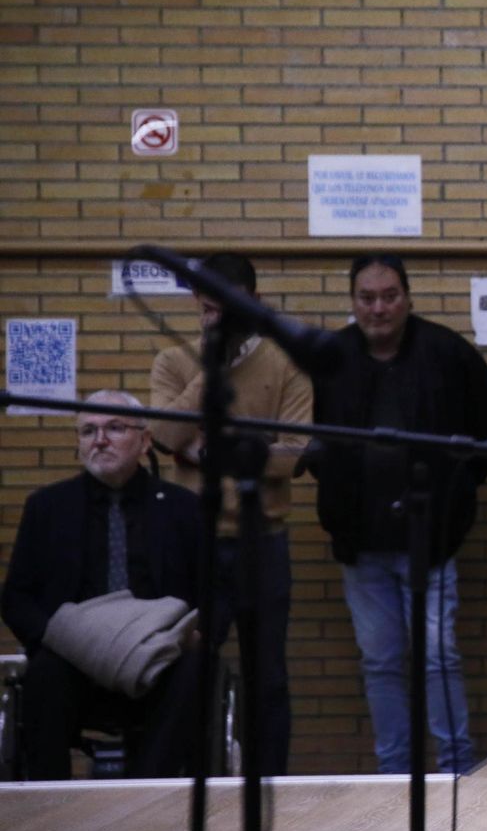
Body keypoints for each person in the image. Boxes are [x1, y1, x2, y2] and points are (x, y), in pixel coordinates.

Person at [306, 255, 487, 774]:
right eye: (367, 298)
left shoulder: (448, 353)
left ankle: (456, 771)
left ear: (408, 297)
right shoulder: (330, 358)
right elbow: (305, 442)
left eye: (389, 295)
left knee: (438, 658)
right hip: (360, 544)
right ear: (352, 302)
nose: (378, 308)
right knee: (381, 664)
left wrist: (454, 489)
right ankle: (393, 775)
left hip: (432, 543)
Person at [148, 252, 311, 776]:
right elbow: (165, 436)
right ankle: (186, 782)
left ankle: (270, 784)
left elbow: (292, 457)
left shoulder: (288, 364)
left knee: (269, 677)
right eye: (208, 310)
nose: (217, 320)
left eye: (230, 311)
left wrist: (214, 447)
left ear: (254, 304)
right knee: (187, 668)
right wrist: (210, 372)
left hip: (262, 538)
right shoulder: (174, 363)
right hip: (193, 537)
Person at [0, 390, 204, 779]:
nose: (100, 440)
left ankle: (146, 794)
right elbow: (16, 598)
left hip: (159, 655)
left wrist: (200, 632)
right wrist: (57, 636)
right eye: (88, 431)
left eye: (114, 427)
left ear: (145, 442)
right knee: (42, 674)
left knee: (196, 669)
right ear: (78, 445)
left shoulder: (183, 508)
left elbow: (217, 589)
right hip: (73, 658)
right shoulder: (47, 507)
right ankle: (48, 805)